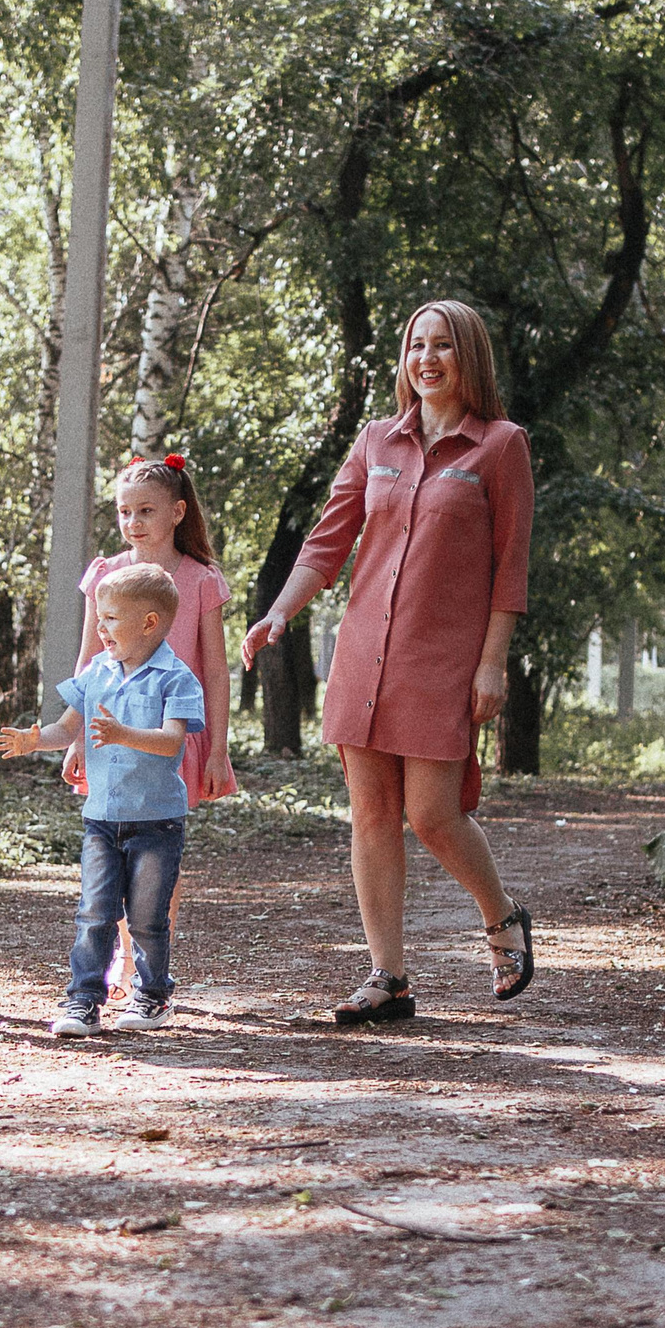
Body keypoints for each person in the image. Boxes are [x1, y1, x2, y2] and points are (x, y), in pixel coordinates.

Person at [241, 299, 537, 1022]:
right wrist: (282, 609)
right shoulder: (376, 439)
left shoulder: (499, 446)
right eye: (416, 346)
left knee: (433, 814)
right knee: (371, 814)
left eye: (443, 346)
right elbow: (328, 539)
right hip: (363, 653)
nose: (427, 358)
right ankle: (388, 977)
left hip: (442, 659)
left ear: (469, 356)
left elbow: (509, 567)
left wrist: (492, 662)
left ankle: (501, 916)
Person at [0, 562, 206, 1036]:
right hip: (101, 819)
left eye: (110, 617)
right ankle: (83, 1001)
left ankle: (152, 996)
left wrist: (120, 733)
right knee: (94, 913)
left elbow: (172, 741)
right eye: (99, 616)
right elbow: (67, 727)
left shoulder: (175, 678)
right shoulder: (97, 672)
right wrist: (35, 740)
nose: (100, 627)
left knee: (148, 918)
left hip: (156, 821)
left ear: (149, 623)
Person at [64, 455, 234, 993]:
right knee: (110, 848)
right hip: (108, 737)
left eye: (145, 510)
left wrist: (218, 748)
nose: (133, 521)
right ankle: (114, 957)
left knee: (157, 858)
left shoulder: (201, 580)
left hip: (171, 737)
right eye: (123, 511)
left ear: (177, 512)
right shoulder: (104, 576)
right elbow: (88, 658)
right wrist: (75, 735)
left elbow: (215, 669)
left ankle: (146, 967)